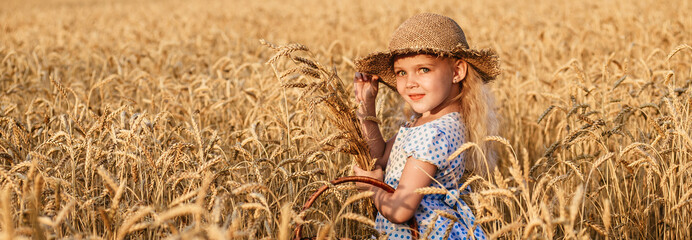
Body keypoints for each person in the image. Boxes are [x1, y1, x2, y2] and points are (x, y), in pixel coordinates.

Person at [351, 13, 500, 239]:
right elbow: (379, 157)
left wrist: (371, 188)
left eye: (424, 70)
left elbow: (400, 209)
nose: (410, 82)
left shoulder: (433, 134)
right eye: (402, 72)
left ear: (457, 71)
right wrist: (366, 104)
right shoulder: (428, 123)